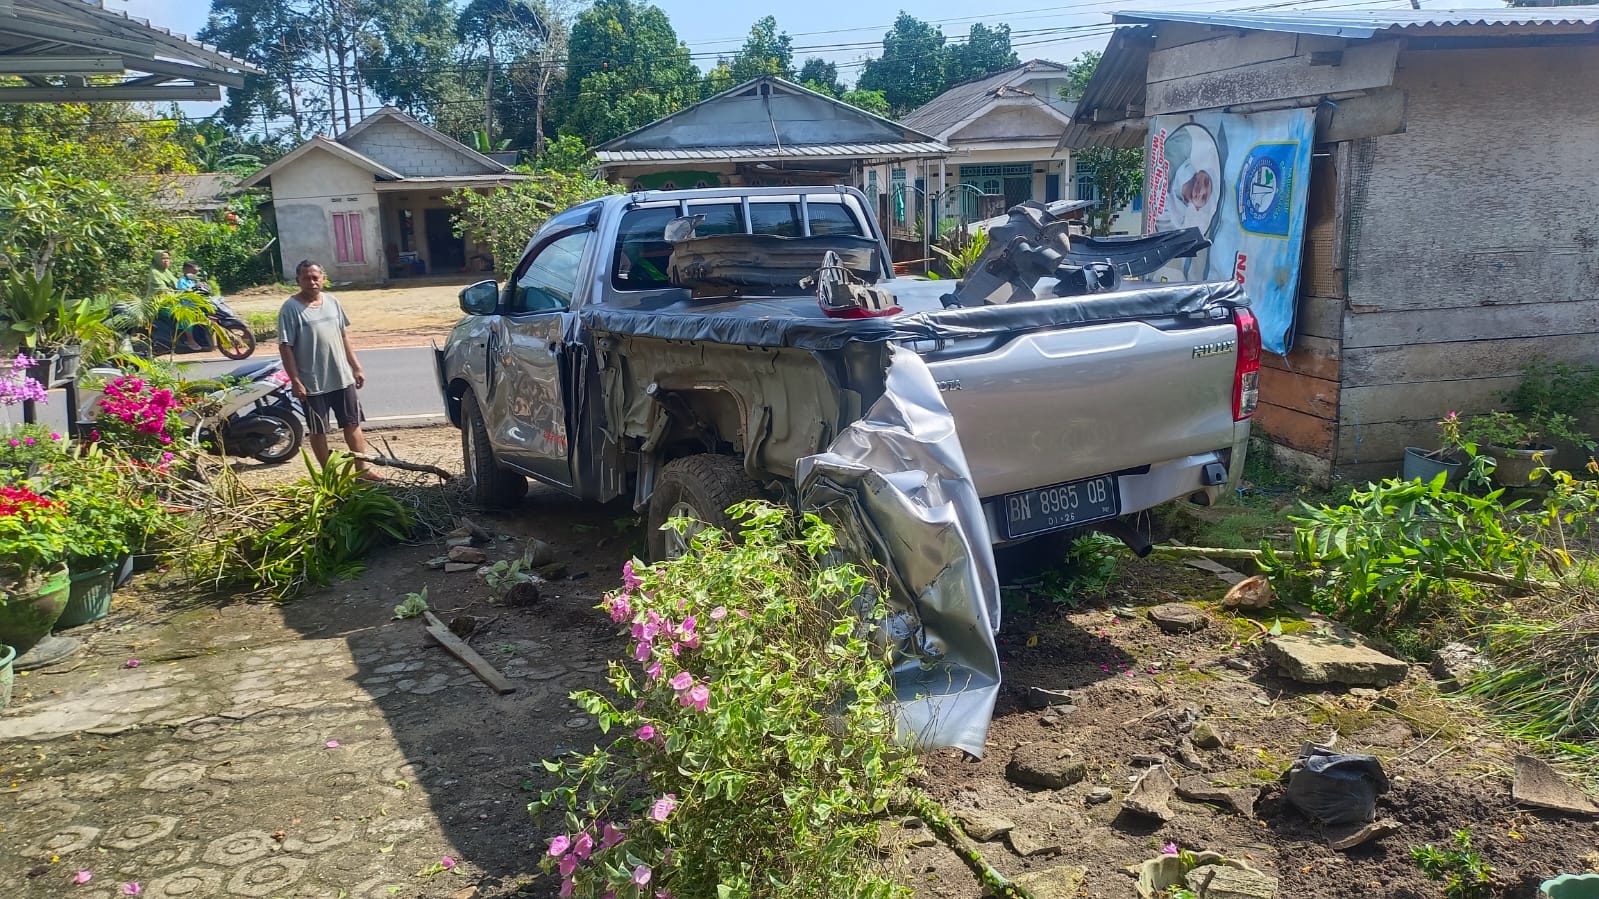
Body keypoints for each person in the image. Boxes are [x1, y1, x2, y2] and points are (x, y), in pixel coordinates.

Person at [277, 260, 383, 480]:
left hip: (342, 378)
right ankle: (329, 475)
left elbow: (343, 336)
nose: (312, 282)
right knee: (318, 430)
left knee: (352, 423)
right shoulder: (290, 309)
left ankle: (362, 470)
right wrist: (295, 380)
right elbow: (285, 347)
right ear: (298, 280)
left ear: (323, 278)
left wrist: (356, 367)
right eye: (306, 277)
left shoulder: (333, 302)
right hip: (312, 383)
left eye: (316, 277)